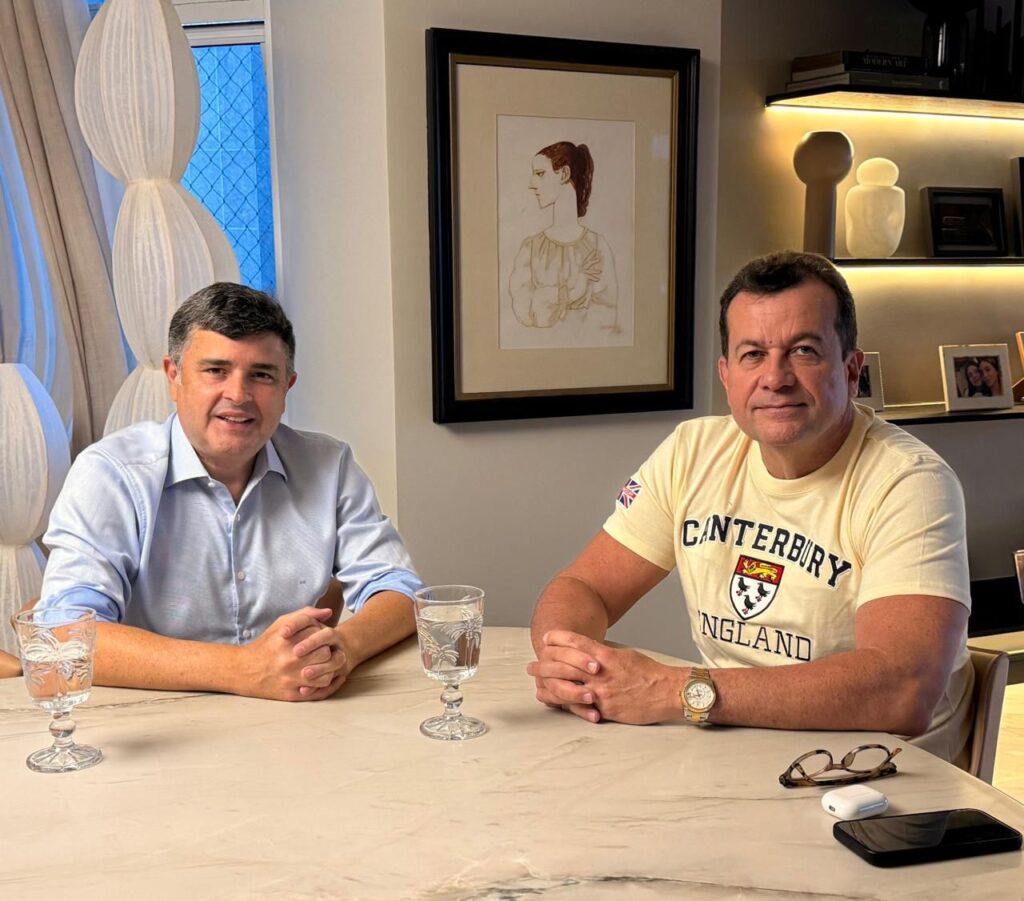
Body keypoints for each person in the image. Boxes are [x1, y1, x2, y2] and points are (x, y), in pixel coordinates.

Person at [528, 250, 974, 764]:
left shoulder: (910, 483)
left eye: (804, 351)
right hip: (733, 751)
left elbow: (902, 690)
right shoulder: (692, 452)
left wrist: (677, 691)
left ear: (852, 370)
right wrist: (567, 663)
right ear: (726, 375)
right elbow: (584, 587)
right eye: (753, 354)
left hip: (880, 776)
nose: (775, 377)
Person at [37, 283, 422, 701]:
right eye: (216, 370)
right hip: (159, 717)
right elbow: (64, 635)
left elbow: (399, 589)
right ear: (173, 376)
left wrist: (344, 648)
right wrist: (243, 669)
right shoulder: (110, 474)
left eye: (262, 374)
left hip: (301, 711)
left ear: (287, 387)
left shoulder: (329, 465)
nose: (238, 395)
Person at [509, 141, 619, 335]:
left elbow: (606, 320)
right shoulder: (530, 248)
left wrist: (549, 302)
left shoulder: (597, 246)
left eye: (540, 174)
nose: (531, 184)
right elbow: (524, 313)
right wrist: (574, 292)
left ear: (564, 174)